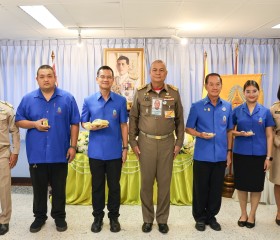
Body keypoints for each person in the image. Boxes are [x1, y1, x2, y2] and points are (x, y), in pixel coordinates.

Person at [15, 65, 80, 233]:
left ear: (54, 77)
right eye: (42, 76)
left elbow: (74, 123)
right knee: (38, 188)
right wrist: (34, 124)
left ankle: (59, 217)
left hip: (60, 152)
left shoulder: (67, 98)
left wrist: (73, 146)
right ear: (37, 79)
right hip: (37, 154)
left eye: (49, 75)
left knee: (59, 188)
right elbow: (19, 120)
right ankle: (39, 217)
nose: (46, 79)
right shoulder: (28, 99)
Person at [129, 60, 184, 234]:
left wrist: (178, 143)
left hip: (168, 143)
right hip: (146, 143)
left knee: (164, 184)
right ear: (150, 72)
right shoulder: (141, 93)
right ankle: (147, 219)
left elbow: (180, 121)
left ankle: (162, 220)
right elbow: (133, 119)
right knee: (146, 184)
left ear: (166, 73)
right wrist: (133, 142)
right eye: (155, 70)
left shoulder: (174, 94)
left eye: (161, 70)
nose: (158, 73)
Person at [81, 65, 128, 233]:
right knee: (97, 186)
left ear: (112, 80)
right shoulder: (88, 100)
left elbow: (123, 125)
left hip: (114, 151)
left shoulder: (120, 101)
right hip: (95, 152)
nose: (105, 79)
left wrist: (125, 147)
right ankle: (98, 217)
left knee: (114, 186)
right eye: (102, 76)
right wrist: (89, 127)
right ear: (97, 79)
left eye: (108, 77)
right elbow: (83, 122)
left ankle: (114, 217)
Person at [185, 73, 233, 232]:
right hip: (202, 155)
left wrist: (229, 152)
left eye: (217, 84)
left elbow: (229, 131)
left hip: (220, 155)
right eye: (211, 84)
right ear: (206, 86)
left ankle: (211, 216)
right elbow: (189, 128)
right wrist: (200, 134)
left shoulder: (227, 106)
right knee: (200, 188)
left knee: (215, 188)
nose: (214, 87)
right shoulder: (197, 106)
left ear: (221, 85)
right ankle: (199, 217)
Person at [232, 80, 274, 229]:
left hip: (259, 154)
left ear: (259, 92)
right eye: (248, 91)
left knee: (256, 187)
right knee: (242, 186)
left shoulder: (265, 112)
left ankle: (252, 214)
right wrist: (240, 133)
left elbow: (269, 136)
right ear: (244, 93)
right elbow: (231, 131)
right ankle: (243, 213)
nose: (251, 94)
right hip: (240, 153)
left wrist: (269, 157)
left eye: (254, 91)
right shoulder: (236, 111)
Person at [0, 101, 20, 235]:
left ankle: (4, 220)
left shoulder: (6, 109)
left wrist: (15, 151)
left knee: (4, 187)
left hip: (2, 152)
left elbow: (14, 131)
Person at [270, 85, 280, 226]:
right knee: (279, 182)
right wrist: (277, 142)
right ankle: (279, 211)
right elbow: (270, 131)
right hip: (279, 148)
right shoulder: (274, 109)